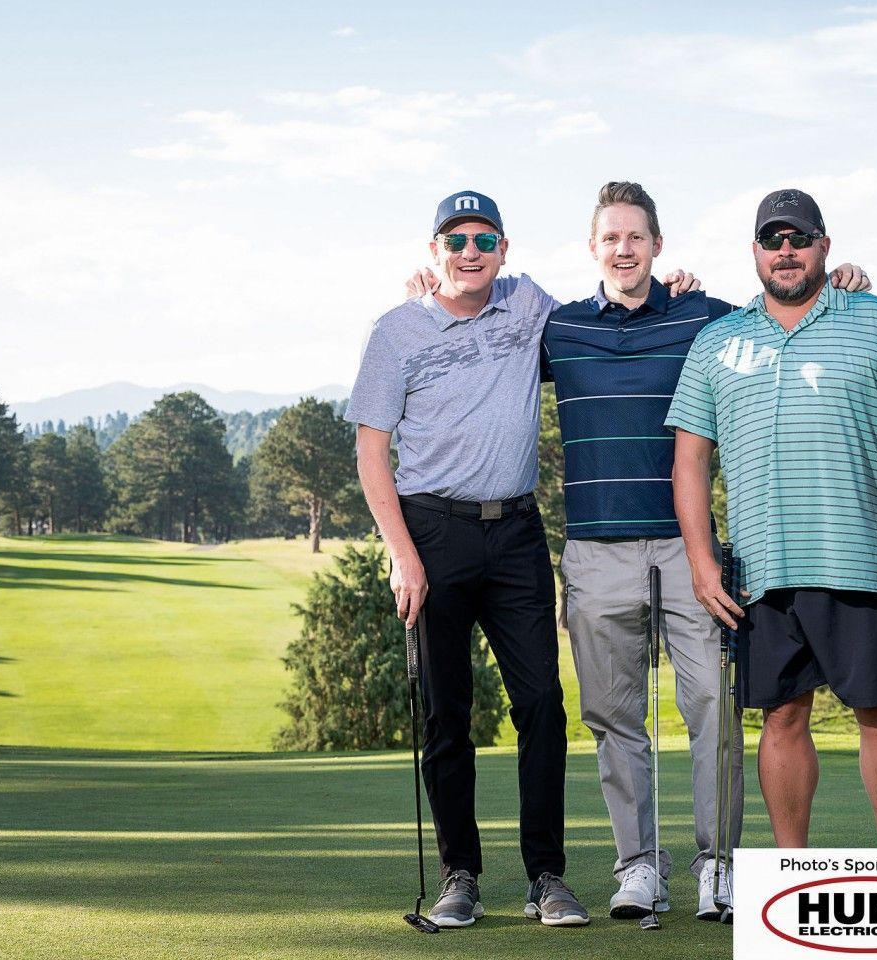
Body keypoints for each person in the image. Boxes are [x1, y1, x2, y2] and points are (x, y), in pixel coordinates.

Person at [406, 181, 870, 920]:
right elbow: (476, 332)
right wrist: (431, 292)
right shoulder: (557, 329)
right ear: (594, 249)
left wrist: (841, 284)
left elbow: (784, 307)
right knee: (613, 716)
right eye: (610, 238)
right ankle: (637, 868)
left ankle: (716, 866)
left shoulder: (704, 320)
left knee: (713, 707)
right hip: (594, 553)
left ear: (657, 246)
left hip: (691, 553)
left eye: (636, 237)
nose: (623, 249)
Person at [346, 189, 592, 928]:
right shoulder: (394, 331)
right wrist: (402, 556)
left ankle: (546, 875)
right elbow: (370, 453)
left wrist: (675, 286)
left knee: (543, 706)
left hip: (515, 532)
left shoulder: (528, 306)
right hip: (432, 533)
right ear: (433, 252)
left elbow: (608, 310)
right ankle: (460, 875)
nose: (470, 252)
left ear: (505, 251)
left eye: (484, 239)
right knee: (446, 715)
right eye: (455, 241)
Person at [666, 188, 877, 850]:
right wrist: (700, 561)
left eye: (798, 239)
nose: (786, 251)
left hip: (859, 557)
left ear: (823, 246)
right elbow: (688, 461)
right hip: (761, 565)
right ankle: (792, 872)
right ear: (754, 251)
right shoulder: (716, 340)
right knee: (780, 716)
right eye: (772, 240)